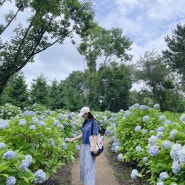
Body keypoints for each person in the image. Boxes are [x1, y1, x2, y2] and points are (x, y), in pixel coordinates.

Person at [70, 106, 99, 185]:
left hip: (90, 146)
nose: (82, 116)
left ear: (87, 113)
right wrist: (75, 138)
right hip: (84, 146)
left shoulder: (94, 122)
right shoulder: (85, 122)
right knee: (83, 164)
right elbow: (83, 134)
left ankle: (90, 183)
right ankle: (86, 182)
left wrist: (94, 147)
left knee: (89, 166)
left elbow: (95, 135)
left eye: (83, 115)